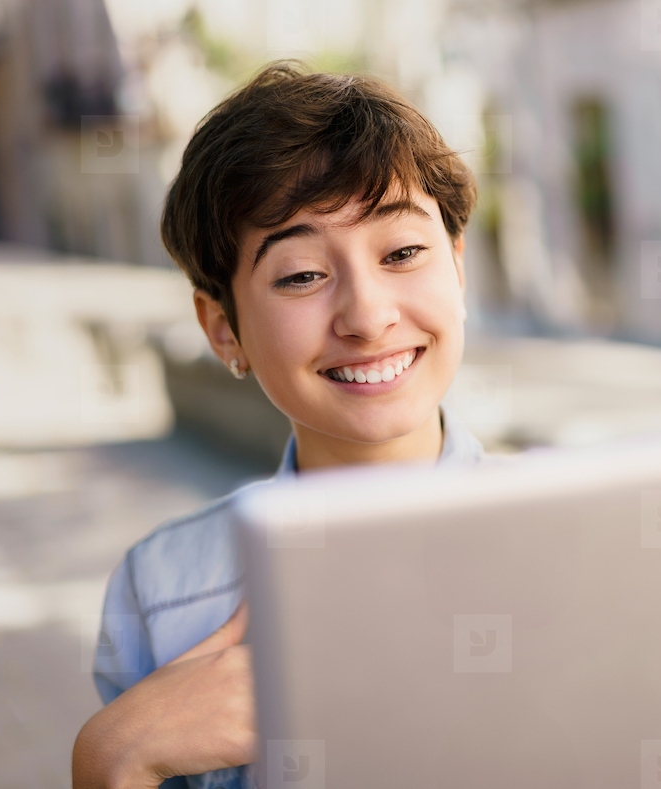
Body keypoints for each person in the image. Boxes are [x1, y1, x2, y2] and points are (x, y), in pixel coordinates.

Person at [71, 61, 484, 789]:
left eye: (402, 253)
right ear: (223, 329)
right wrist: (113, 756)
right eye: (301, 275)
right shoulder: (164, 589)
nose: (367, 315)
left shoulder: (598, 536)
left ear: (457, 266)